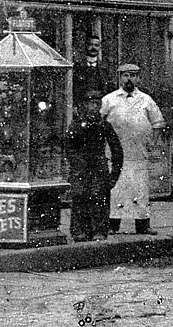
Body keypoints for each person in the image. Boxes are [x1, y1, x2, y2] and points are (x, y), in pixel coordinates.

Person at [101, 63, 166, 235]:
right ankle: (113, 225)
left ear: (138, 78)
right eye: (125, 75)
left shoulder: (146, 100)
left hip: (139, 154)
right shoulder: (109, 100)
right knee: (116, 190)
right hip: (116, 155)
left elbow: (158, 122)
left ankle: (143, 225)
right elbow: (100, 122)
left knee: (140, 189)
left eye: (133, 75)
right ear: (120, 77)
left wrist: (153, 141)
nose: (129, 79)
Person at [65, 89, 123, 242]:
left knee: (100, 199)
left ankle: (99, 230)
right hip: (81, 168)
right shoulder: (76, 126)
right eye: (91, 103)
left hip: (98, 167)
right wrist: (76, 162)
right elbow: (68, 147)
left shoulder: (104, 126)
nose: (94, 107)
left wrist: (114, 175)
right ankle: (79, 230)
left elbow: (117, 150)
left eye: (97, 104)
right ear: (84, 105)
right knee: (79, 198)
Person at [72, 34, 110, 110]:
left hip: (100, 106)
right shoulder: (77, 67)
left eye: (96, 45)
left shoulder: (105, 68)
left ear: (100, 48)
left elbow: (109, 89)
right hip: (81, 107)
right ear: (86, 46)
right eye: (90, 45)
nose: (93, 48)